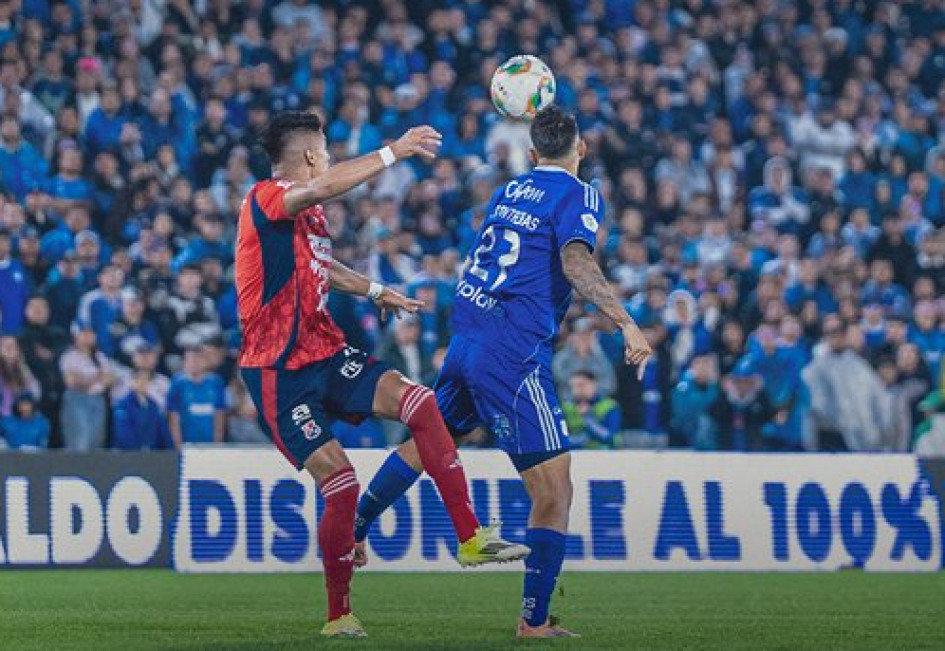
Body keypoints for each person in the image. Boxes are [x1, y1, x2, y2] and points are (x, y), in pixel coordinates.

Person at [354, 107, 652, 638]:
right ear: (579, 150)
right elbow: (577, 263)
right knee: (555, 489)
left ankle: (354, 527)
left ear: (533, 154)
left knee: (429, 442)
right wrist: (626, 323)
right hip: (512, 350)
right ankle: (533, 621)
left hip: (467, 336)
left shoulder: (509, 190)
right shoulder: (580, 194)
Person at [234, 111, 526, 638]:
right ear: (308, 157)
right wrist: (395, 151)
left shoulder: (308, 216)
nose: (326, 157)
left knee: (421, 402)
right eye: (323, 149)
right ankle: (338, 613)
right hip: (278, 370)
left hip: (324, 350)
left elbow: (322, 268)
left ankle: (470, 536)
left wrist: (375, 291)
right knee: (341, 485)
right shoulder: (266, 197)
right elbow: (324, 185)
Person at [59, 320, 115, 450]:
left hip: (98, 399)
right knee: (80, 439)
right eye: (84, 333)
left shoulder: (100, 357)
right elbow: (71, 381)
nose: (88, 336)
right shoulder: (69, 356)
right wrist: (96, 378)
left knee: (96, 439)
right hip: (77, 399)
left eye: (91, 333)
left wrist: (89, 379)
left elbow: (110, 378)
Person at [166, 346, 225, 448]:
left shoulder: (215, 382)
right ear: (184, 362)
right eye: (189, 359)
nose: (194, 363)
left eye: (198, 359)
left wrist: (217, 442)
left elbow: (219, 414)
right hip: (187, 443)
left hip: (209, 443)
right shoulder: (178, 384)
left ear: (205, 361)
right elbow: (173, 416)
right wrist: (178, 444)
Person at [562, 370, 622, 449]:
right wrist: (583, 439)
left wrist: (587, 418)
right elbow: (560, 440)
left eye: (581, 385)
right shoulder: (566, 407)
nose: (576, 390)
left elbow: (609, 438)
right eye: (573, 386)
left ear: (594, 384)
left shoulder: (610, 406)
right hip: (575, 455)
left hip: (604, 455)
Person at [112, 369, 168, 450]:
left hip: (152, 455)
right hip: (127, 455)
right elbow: (123, 433)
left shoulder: (154, 405)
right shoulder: (122, 405)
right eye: (139, 379)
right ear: (132, 382)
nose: (143, 383)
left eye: (146, 380)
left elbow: (162, 431)